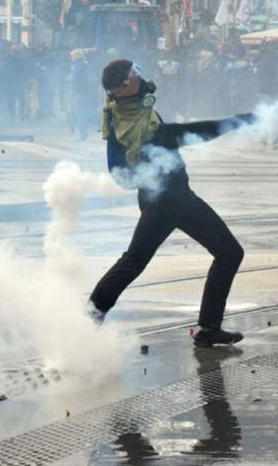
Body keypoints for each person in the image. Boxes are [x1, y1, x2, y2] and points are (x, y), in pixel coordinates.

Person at [88, 59, 253, 347]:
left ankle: (92, 314)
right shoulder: (141, 124)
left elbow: (117, 169)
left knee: (135, 260)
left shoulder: (121, 113)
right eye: (135, 74)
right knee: (229, 253)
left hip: (161, 197)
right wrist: (237, 122)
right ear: (126, 86)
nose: (141, 75)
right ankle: (207, 329)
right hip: (171, 199)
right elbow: (193, 132)